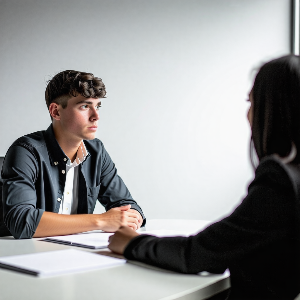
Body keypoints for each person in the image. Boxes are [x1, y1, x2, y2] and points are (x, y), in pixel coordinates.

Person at [108, 55, 300, 299]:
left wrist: (133, 243)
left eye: (251, 103)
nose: (248, 115)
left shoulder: (281, 181)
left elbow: (198, 254)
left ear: (272, 109)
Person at [0, 70, 145, 239]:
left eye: (97, 106)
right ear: (56, 111)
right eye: (84, 106)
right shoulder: (26, 151)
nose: (96, 116)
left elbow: (129, 206)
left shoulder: (96, 152)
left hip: (76, 252)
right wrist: (100, 221)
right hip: (23, 254)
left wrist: (129, 216)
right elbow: (21, 221)